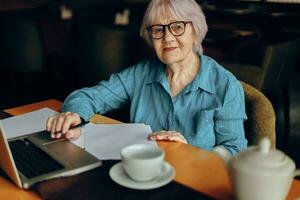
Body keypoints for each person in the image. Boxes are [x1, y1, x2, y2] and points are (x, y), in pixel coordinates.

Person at [46, 0, 247, 157]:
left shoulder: (225, 85)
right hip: (141, 177)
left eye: (177, 27)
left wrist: (191, 153)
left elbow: (234, 150)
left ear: (195, 31)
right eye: (158, 30)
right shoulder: (140, 74)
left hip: (195, 183)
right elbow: (87, 97)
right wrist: (74, 114)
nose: (167, 37)